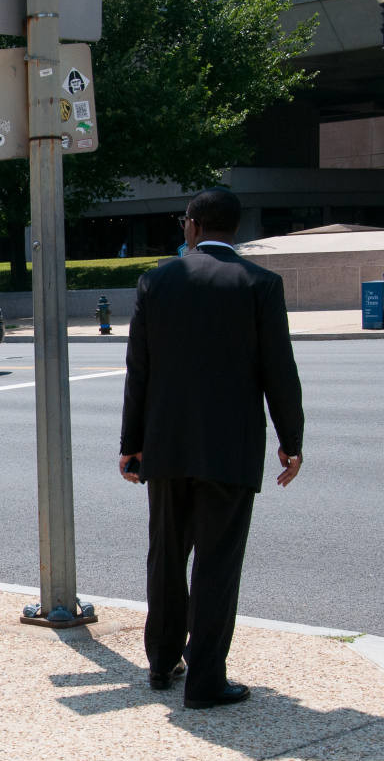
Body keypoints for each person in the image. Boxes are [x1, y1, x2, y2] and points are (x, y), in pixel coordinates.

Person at [119, 187, 304, 710]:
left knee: (167, 555)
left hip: (167, 447)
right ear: (234, 230)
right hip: (230, 449)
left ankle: (160, 662)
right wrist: (291, 441)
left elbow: (140, 373)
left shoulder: (156, 281)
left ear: (193, 226)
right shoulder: (260, 285)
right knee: (218, 565)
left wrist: (132, 447)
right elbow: (279, 371)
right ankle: (205, 681)